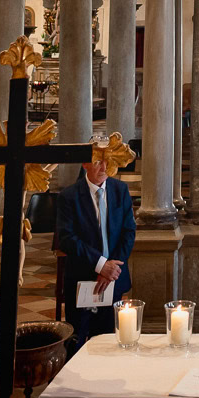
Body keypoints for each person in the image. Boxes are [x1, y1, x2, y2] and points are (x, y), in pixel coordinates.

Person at [56, 138, 135, 340]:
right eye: (98, 161)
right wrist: (101, 266)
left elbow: (128, 232)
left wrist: (111, 269)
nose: (104, 166)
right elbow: (66, 239)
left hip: (114, 278)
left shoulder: (120, 190)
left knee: (109, 337)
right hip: (83, 277)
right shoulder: (69, 196)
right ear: (85, 163)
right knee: (80, 338)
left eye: (107, 160)